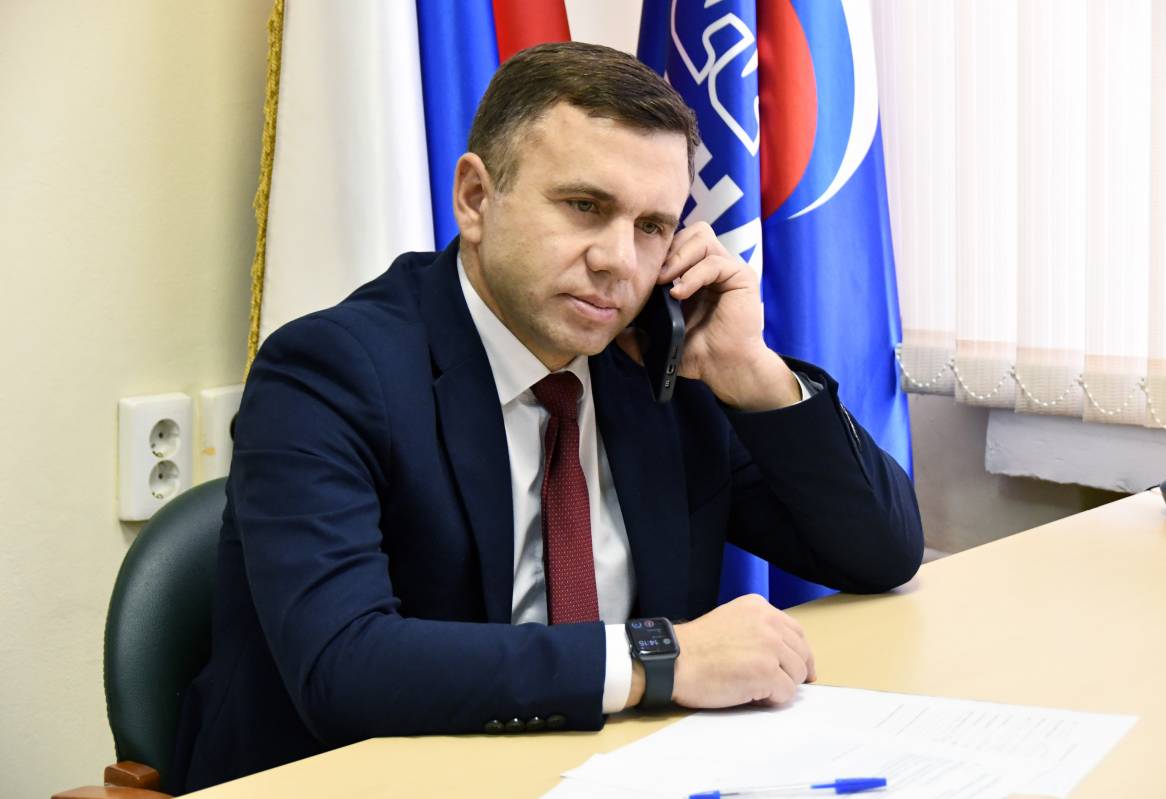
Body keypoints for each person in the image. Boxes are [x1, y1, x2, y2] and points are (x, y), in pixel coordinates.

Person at [171, 41, 923, 792]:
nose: (619, 261)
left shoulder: (661, 363)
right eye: (584, 207)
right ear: (476, 198)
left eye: (652, 226)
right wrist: (659, 658)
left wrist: (753, 373)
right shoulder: (327, 373)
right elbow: (344, 665)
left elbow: (881, 554)